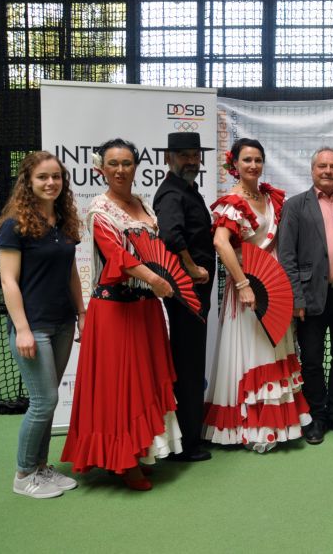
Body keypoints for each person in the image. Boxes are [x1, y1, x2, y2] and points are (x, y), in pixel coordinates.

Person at [61, 138, 182, 490]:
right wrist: (155, 279)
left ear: (135, 166)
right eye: (113, 163)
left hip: (145, 309)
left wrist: (168, 275)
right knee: (119, 387)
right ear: (101, 168)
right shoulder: (99, 210)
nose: (120, 169)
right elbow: (117, 257)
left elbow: (154, 249)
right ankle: (123, 461)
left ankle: (141, 452)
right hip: (114, 310)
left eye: (126, 163)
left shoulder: (142, 203)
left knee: (143, 382)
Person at [202, 138, 311, 452]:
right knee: (254, 352)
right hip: (249, 288)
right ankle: (251, 426)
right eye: (247, 160)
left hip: (275, 286)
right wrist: (243, 285)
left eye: (257, 160)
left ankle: (279, 424)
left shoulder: (270, 196)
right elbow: (221, 244)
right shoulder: (232, 202)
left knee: (276, 348)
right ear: (234, 164)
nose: (253, 165)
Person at [0, 151, 84, 499]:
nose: (51, 183)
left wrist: (82, 313)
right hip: (33, 326)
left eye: (56, 177)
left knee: (47, 401)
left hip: (63, 322)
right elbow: (8, 281)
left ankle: (41, 467)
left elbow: (71, 272)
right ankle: (23, 474)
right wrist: (21, 328)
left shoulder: (63, 221)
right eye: (43, 177)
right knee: (44, 400)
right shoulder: (14, 224)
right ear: (28, 182)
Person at [278, 147, 333, 445]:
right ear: (312, 170)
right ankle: (317, 416)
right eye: (322, 166)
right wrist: (296, 299)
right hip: (310, 297)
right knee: (312, 360)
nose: (328, 171)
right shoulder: (294, 206)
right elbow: (287, 257)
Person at [153, 131, 216, 462]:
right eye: (184, 155)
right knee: (188, 365)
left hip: (196, 295)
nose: (191, 160)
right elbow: (170, 235)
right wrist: (191, 268)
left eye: (195, 155)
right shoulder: (171, 194)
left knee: (191, 364)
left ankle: (187, 435)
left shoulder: (189, 190)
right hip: (185, 294)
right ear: (168, 158)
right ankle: (187, 443)